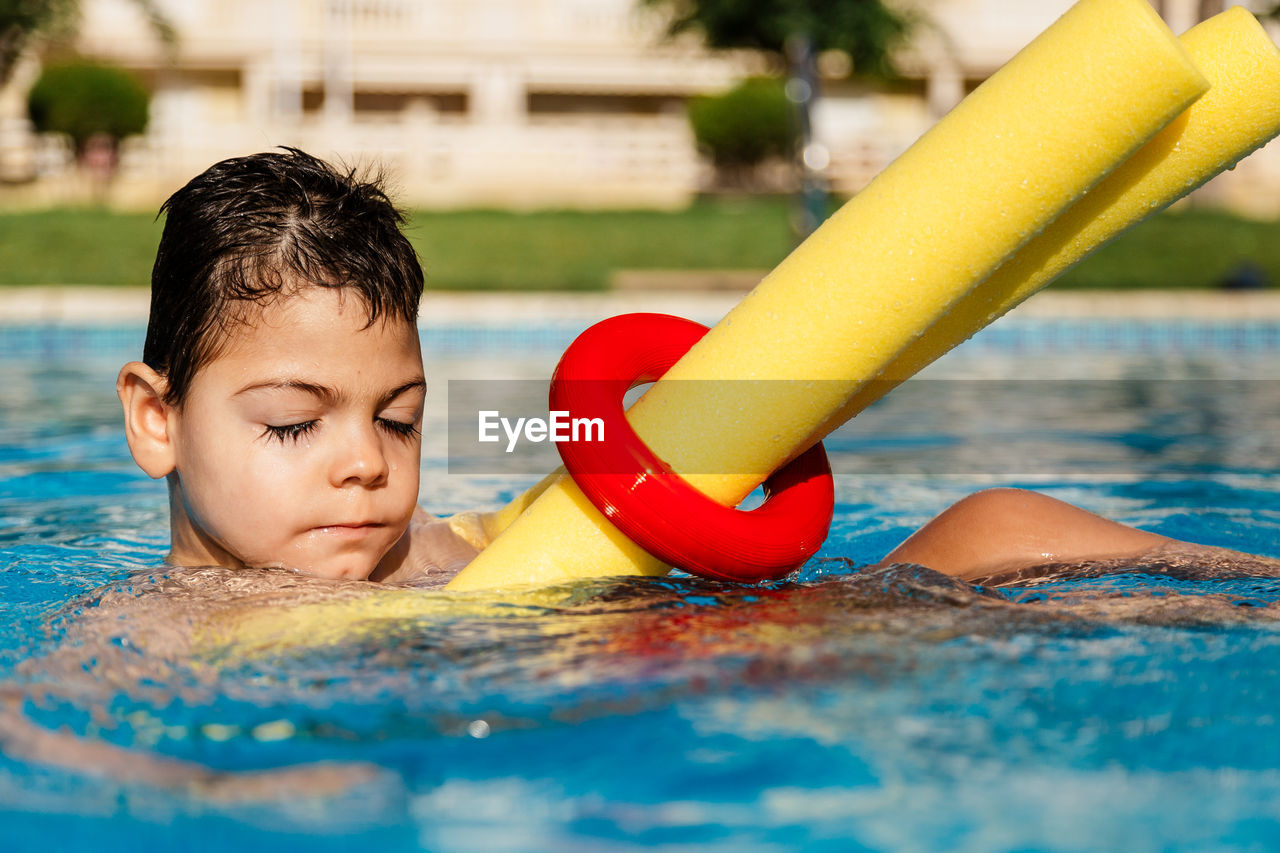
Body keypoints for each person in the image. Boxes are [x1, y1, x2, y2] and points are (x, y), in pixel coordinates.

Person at [116, 147, 492, 587]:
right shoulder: (145, 635)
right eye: (292, 425)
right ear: (157, 421)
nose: (368, 463)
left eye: (396, 422)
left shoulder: (434, 553)